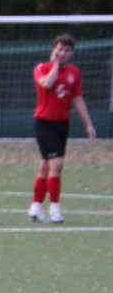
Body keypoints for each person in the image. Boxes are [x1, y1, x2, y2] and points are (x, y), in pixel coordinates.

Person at [28, 33, 96, 223]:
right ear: (54, 50)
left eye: (67, 50)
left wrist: (88, 124)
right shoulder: (42, 68)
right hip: (44, 123)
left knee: (46, 166)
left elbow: (78, 100)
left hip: (62, 124)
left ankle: (35, 208)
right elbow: (46, 84)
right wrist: (56, 65)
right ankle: (55, 209)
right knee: (57, 164)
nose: (63, 53)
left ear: (71, 53)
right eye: (60, 49)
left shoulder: (74, 72)